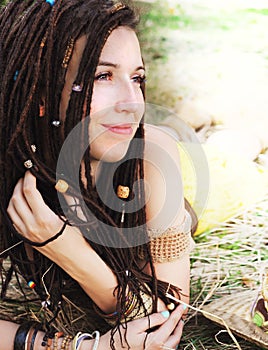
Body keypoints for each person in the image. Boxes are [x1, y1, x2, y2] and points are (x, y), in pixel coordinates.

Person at [0, 0, 195, 349]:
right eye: (102, 76)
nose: (132, 101)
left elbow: (167, 319)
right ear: (42, 92)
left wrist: (67, 249)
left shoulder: (151, 156)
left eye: (137, 78)